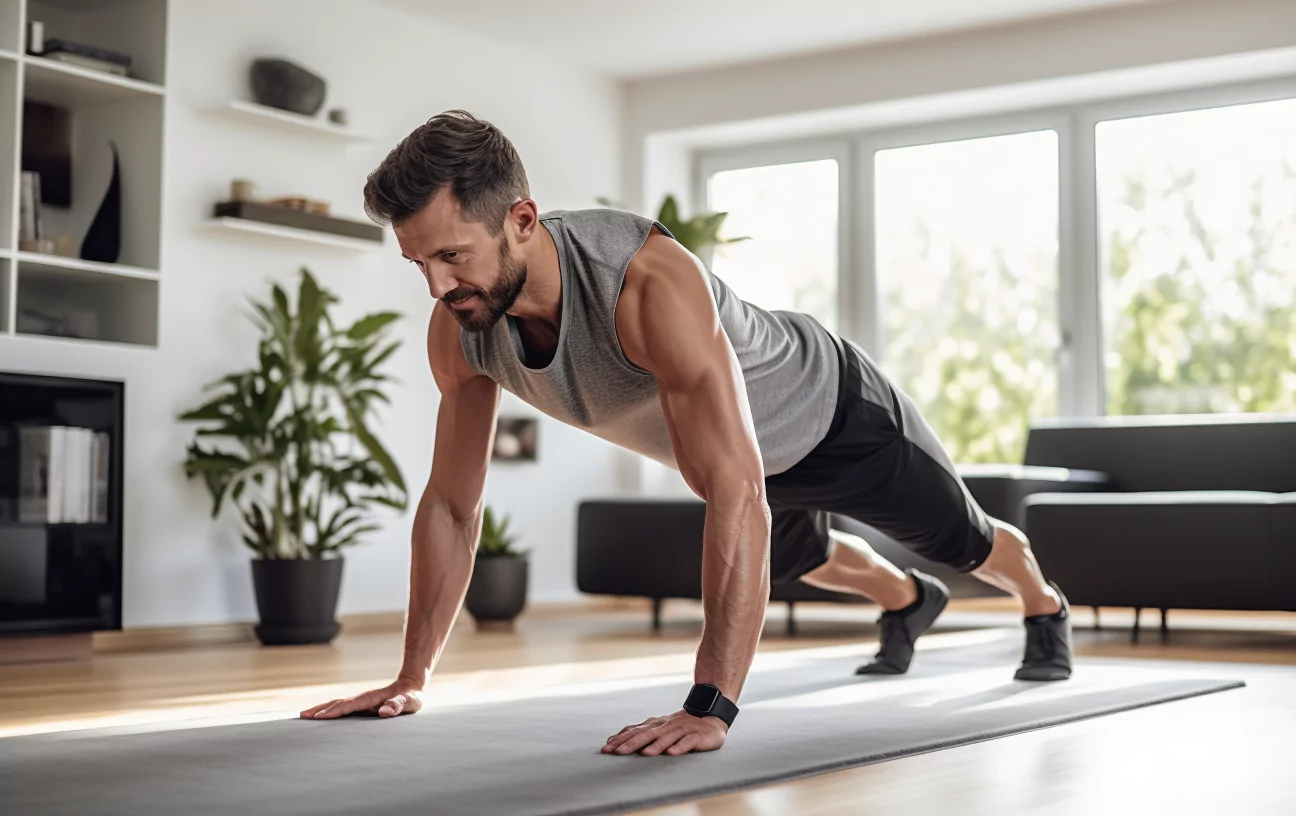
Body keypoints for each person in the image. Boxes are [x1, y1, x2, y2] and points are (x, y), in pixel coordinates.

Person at [300, 110, 1073, 757]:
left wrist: (710, 705)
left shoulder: (646, 283)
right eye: (419, 263)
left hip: (836, 412)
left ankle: (1044, 606)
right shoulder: (463, 328)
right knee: (811, 556)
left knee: (963, 541)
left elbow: (735, 496)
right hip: (749, 461)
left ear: (523, 220)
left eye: (451, 256)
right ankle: (907, 602)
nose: (438, 287)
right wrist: (412, 675)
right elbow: (452, 507)